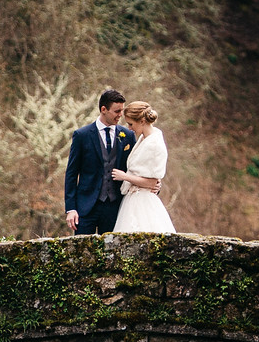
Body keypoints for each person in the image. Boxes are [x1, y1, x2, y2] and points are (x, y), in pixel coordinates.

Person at [64, 88, 157, 235]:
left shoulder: (128, 135)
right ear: (103, 109)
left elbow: (138, 165)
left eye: (122, 110)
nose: (121, 115)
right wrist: (71, 209)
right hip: (85, 207)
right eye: (117, 111)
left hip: (116, 207)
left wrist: (152, 183)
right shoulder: (82, 135)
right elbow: (71, 173)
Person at [110, 101, 175, 233]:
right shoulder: (144, 139)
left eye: (131, 124)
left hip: (143, 202)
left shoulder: (155, 144)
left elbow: (152, 182)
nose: (129, 128)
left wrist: (125, 177)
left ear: (142, 121)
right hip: (133, 199)